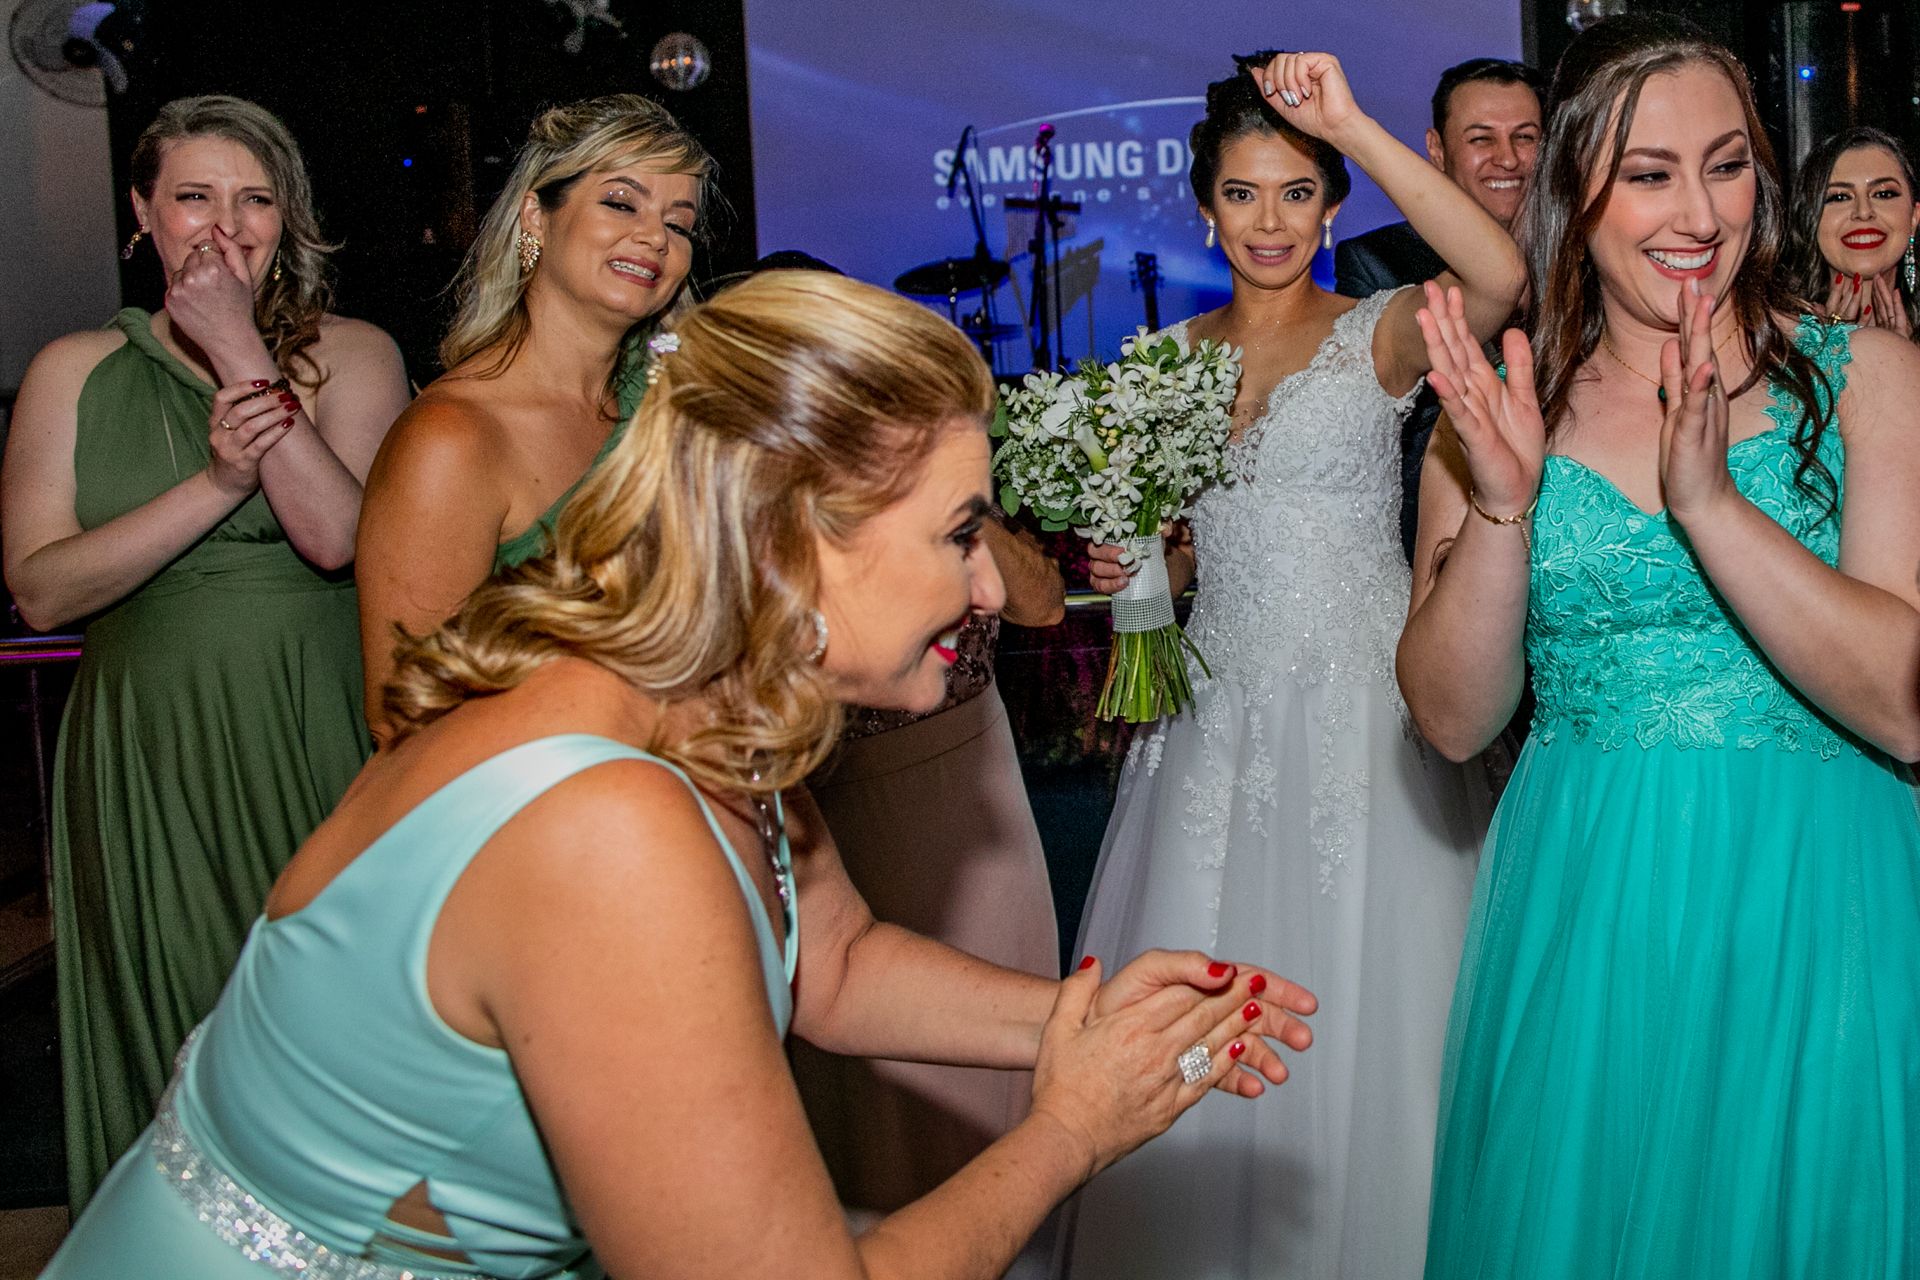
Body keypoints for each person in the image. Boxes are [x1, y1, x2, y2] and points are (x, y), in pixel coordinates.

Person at [39, 270, 1317, 1280]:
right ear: (788, 542)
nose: (990, 586)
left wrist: (1076, 1025)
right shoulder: (610, 827)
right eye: (959, 531)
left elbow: (837, 962)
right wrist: (1070, 1129)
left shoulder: (694, 703)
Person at [1400, 14, 1920, 1275]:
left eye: (1729, 163)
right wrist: (1506, 503)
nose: (1701, 211)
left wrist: (1714, 510)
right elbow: (1454, 719)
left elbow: (1905, 705)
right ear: (1575, 185)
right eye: (1648, 173)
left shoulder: (1867, 378)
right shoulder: (1497, 408)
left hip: (1820, 894)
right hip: (1592, 901)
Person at [1060, 49, 1523, 1280]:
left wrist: (1355, 126)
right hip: (1209, 720)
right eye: (1246, 194)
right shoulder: (1160, 359)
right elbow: (1183, 549)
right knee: (1199, 994)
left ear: (1332, 206)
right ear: (1205, 206)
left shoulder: (1378, 333)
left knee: (1382, 1005)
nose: (1271, 222)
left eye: (1299, 194)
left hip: (1362, 714)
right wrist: (1137, 572)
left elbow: (1499, 269)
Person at [0, 95, 408, 1212]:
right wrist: (217, 484)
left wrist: (238, 349)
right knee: (179, 1056)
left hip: (313, 738)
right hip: (151, 760)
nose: (224, 226)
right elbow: (40, 587)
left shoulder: (355, 355)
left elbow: (337, 538)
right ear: (142, 212)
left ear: (290, 221)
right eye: (193, 196)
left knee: (335, 1057)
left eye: (254, 199)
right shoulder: (72, 371)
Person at [355, 94, 704, 738]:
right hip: (540, 807)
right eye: (621, 203)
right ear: (535, 217)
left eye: (678, 223)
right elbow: (404, 715)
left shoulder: (671, 407)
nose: (655, 235)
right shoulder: (452, 439)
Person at [1337, 56, 1544, 563]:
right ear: (1436, 149)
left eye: (1525, 137)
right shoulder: (1379, 262)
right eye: (1481, 140)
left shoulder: (1591, 256)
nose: (1508, 158)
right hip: (1440, 535)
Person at [1788, 125, 1920, 340]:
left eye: (1883, 193)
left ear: (1914, 217)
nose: (1863, 212)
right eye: (1840, 197)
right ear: (1811, 217)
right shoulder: (1777, 336)